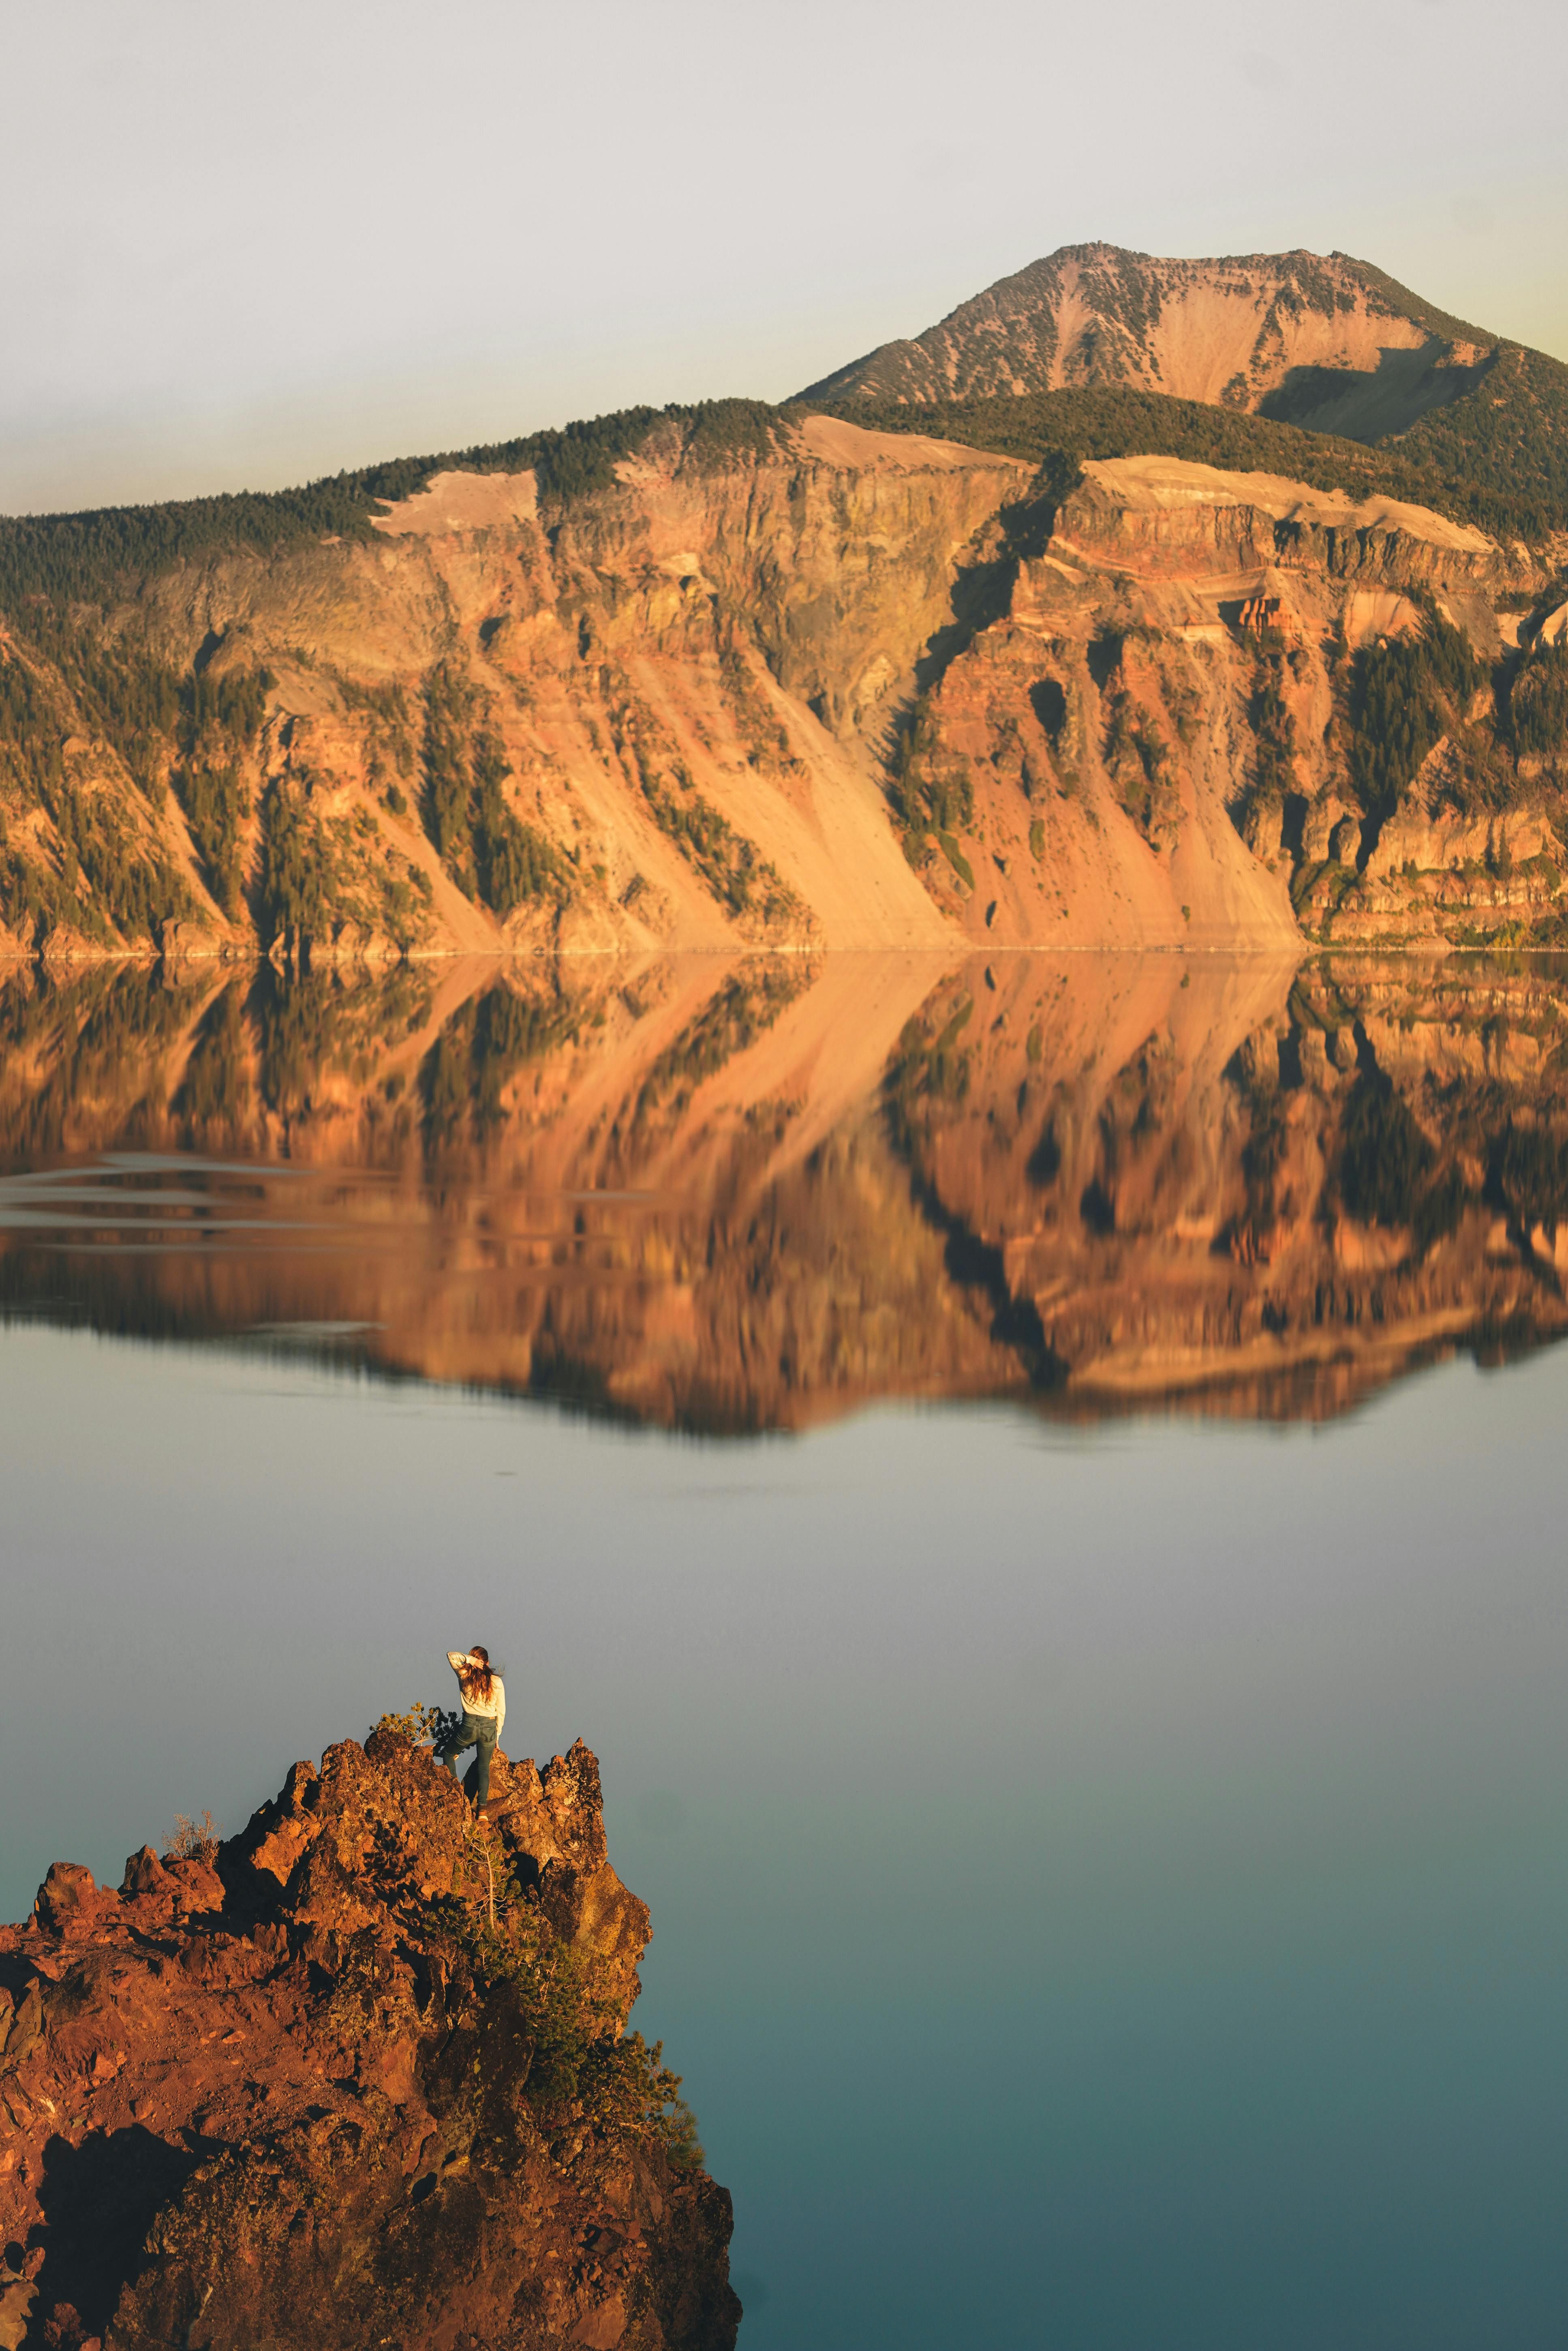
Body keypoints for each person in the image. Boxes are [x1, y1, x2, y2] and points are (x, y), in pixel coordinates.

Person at [441, 1645, 506, 1819]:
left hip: (469, 1725)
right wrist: (498, 1735)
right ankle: (482, 1811)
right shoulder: (496, 1682)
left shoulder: (464, 1675)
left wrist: (470, 1661)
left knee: (448, 1754)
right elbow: (501, 1711)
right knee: (483, 1768)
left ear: (476, 1660)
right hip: (490, 1727)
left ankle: (456, 1795)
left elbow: (451, 1655)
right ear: (488, 1662)